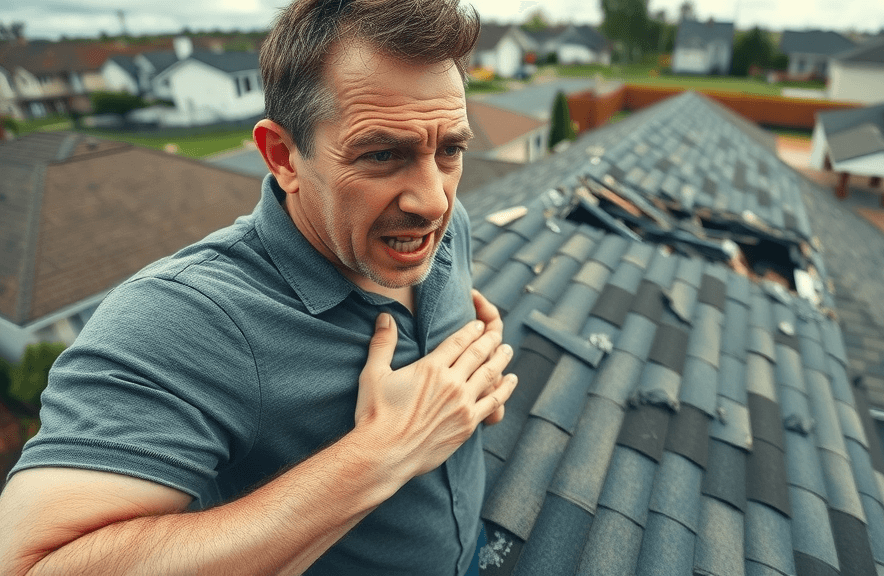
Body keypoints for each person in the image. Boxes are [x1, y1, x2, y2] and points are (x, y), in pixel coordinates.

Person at [0, 0, 516, 574]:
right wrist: (383, 452)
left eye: (449, 150)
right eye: (382, 154)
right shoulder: (190, 319)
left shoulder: (448, 228)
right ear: (284, 156)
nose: (434, 202)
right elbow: (29, 564)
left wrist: (466, 394)